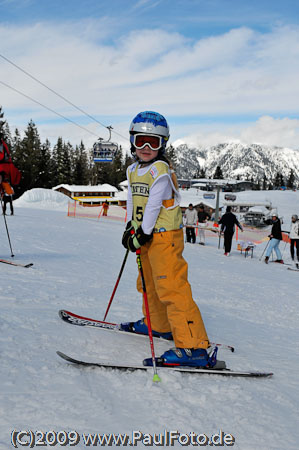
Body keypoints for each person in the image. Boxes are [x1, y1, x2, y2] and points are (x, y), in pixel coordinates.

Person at [121, 111, 217, 368]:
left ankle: (193, 347)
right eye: (141, 141)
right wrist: (130, 226)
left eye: (153, 143)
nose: (146, 148)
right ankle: (159, 324)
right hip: (146, 235)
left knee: (171, 287)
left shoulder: (160, 171)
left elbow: (153, 205)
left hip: (164, 236)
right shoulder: (132, 170)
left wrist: (142, 232)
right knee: (148, 283)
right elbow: (133, 200)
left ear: (163, 144)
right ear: (132, 141)